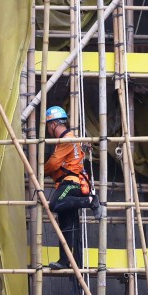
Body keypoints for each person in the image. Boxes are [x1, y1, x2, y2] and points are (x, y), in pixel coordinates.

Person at [42, 105, 100, 269]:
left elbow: (53, 163)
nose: (48, 130)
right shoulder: (70, 140)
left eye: (48, 126)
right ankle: (65, 260)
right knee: (66, 225)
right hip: (68, 182)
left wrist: (41, 170)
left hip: (71, 183)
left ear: (52, 124)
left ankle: (90, 201)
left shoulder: (66, 139)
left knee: (55, 203)